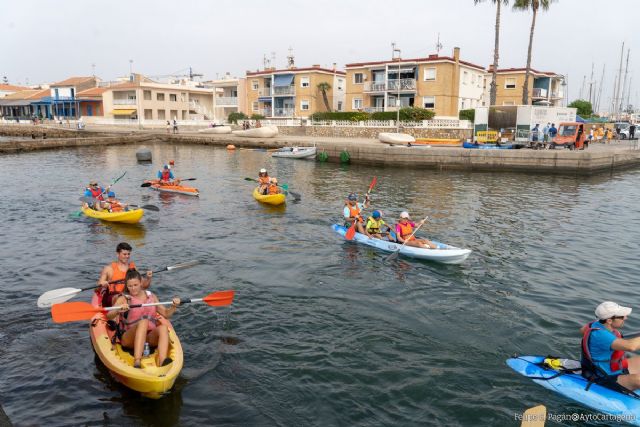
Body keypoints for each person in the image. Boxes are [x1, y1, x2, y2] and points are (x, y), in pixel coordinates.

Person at [107, 270, 180, 368]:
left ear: (141, 282)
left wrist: (174, 306)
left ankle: (162, 360)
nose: (133, 289)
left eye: (135, 285)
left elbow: (166, 314)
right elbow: (109, 315)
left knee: (163, 328)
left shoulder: (151, 296)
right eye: (130, 286)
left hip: (148, 338)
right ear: (127, 286)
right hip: (129, 339)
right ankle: (137, 361)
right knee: (144, 321)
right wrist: (118, 310)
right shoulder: (125, 298)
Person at [580, 301, 640, 393]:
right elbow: (631, 346)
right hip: (604, 377)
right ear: (609, 320)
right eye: (622, 316)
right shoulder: (600, 335)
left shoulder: (595, 324)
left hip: (613, 368)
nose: (626, 318)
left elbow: (582, 330)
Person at [97, 242, 152, 307]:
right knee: (122, 298)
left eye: (128, 254)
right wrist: (103, 284)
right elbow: (99, 285)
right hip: (113, 297)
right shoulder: (109, 269)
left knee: (148, 294)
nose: (127, 256)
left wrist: (148, 278)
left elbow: (144, 286)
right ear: (117, 254)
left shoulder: (133, 268)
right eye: (124, 254)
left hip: (129, 295)